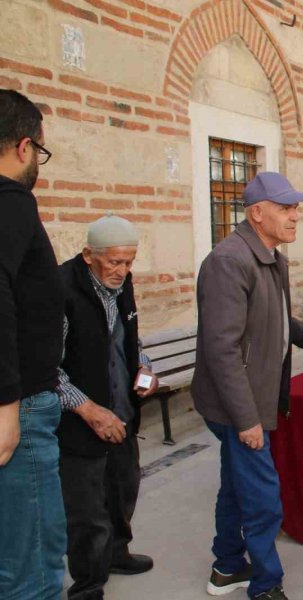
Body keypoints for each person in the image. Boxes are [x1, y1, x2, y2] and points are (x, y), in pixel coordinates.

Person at [192, 172, 303, 600]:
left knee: (236, 486)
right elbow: (221, 350)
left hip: (252, 397)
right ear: (257, 213)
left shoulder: (268, 254)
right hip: (239, 404)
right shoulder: (229, 261)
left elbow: (270, 319)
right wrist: (247, 420)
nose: (295, 216)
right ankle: (265, 585)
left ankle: (226, 567)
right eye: (286, 208)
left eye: (296, 207)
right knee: (262, 498)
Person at [56, 215, 159, 599]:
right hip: (81, 422)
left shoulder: (123, 284)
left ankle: (117, 554)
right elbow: (47, 369)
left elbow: (131, 340)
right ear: (88, 255)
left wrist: (145, 368)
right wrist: (91, 411)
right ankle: (87, 584)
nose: (122, 270)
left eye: (129, 262)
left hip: (123, 412)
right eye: (114, 262)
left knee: (123, 491)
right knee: (86, 512)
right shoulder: (62, 289)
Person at [0, 89, 67, 600]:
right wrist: (6, 407)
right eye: (40, 153)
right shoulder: (11, 203)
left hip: (18, 404)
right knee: (34, 563)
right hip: (19, 410)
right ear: (24, 147)